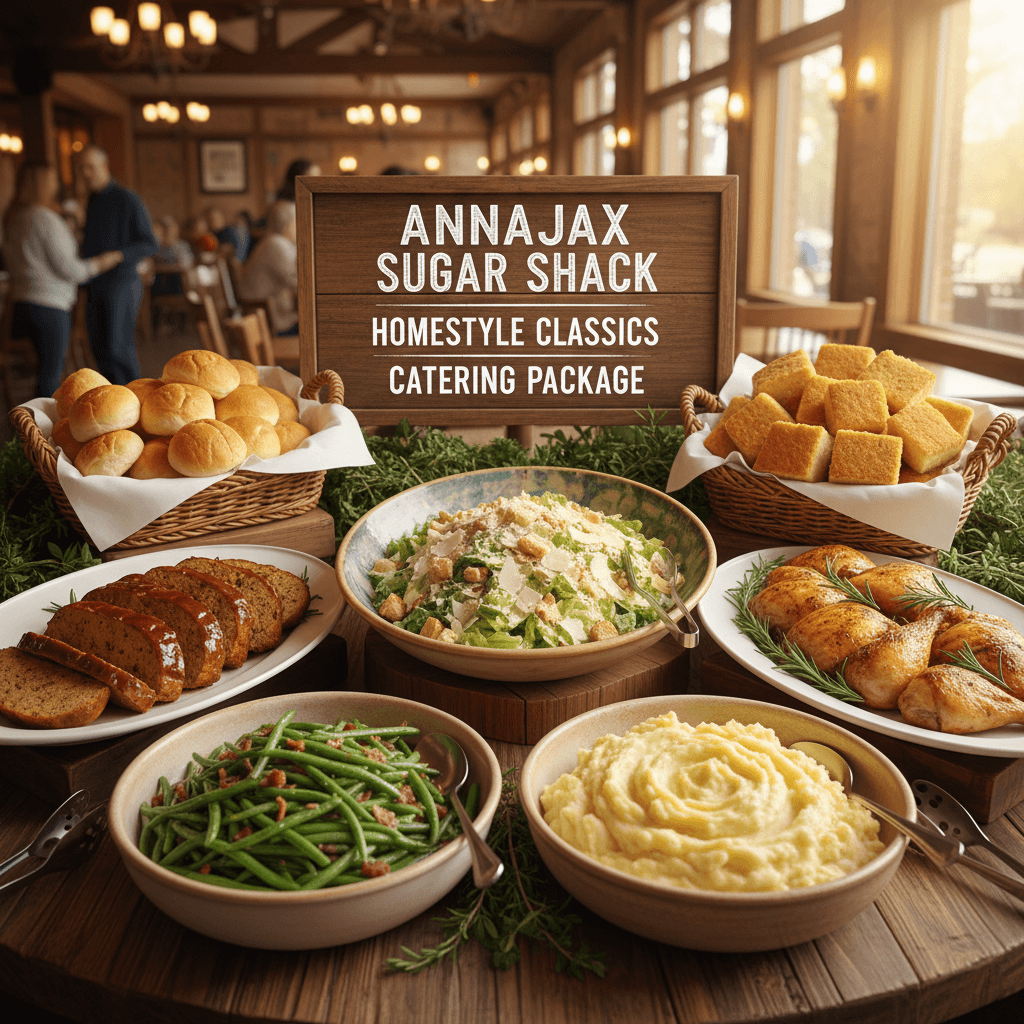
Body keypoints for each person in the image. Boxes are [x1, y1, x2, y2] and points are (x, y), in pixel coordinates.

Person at [1, 161, 122, 397]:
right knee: (50, 376)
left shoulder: (13, 218)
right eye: (54, 181)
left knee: (44, 372)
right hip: (49, 307)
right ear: (44, 185)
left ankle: (31, 425)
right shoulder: (45, 219)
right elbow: (72, 270)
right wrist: (103, 262)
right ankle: (42, 431)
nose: (58, 186)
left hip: (20, 305)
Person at [78, 145, 157, 384]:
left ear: (104, 167)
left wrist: (118, 255)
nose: (85, 173)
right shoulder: (92, 200)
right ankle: (111, 407)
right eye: (82, 168)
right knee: (99, 350)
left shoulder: (127, 199)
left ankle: (133, 401)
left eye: (90, 167)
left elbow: (149, 243)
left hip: (121, 282)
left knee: (118, 348)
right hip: (94, 283)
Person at [239, 200, 298, 335]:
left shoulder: (274, 241)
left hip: (269, 313)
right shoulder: (276, 244)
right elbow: (296, 283)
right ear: (287, 223)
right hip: (269, 321)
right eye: (297, 221)